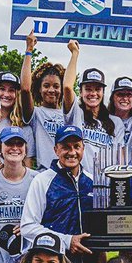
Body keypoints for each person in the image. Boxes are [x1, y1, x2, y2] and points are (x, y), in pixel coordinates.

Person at [20, 125, 97, 263]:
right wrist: (67, 241)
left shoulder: (93, 182)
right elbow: (27, 227)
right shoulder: (42, 181)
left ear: (83, 148)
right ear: (56, 150)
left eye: (77, 146)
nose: (72, 152)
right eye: (65, 147)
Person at [0, 126, 40, 263]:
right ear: (0, 149)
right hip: (1, 256)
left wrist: (28, 225)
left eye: (19, 144)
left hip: (31, 256)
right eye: (9, 144)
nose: (15, 148)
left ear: (26, 149)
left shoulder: (37, 180)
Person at [62, 47, 121, 179]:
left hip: (105, 184)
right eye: (88, 89)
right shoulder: (76, 113)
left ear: (103, 92)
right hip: (79, 181)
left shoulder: (116, 122)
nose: (93, 93)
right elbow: (66, 86)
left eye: (98, 89)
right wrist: (75, 54)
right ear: (81, 92)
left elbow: (119, 157)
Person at [19, 32, 76, 168]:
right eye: (46, 86)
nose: (51, 90)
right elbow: (25, 88)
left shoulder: (68, 113)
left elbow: (69, 85)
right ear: (39, 89)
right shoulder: (36, 114)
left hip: (68, 173)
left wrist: (74, 53)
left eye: (56, 86)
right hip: (44, 172)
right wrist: (29, 50)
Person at [0, 70, 35, 164]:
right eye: (2, 89)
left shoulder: (25, 129)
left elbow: (27, 167)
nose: (6, 94)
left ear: (17, 95)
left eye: (11, 90)